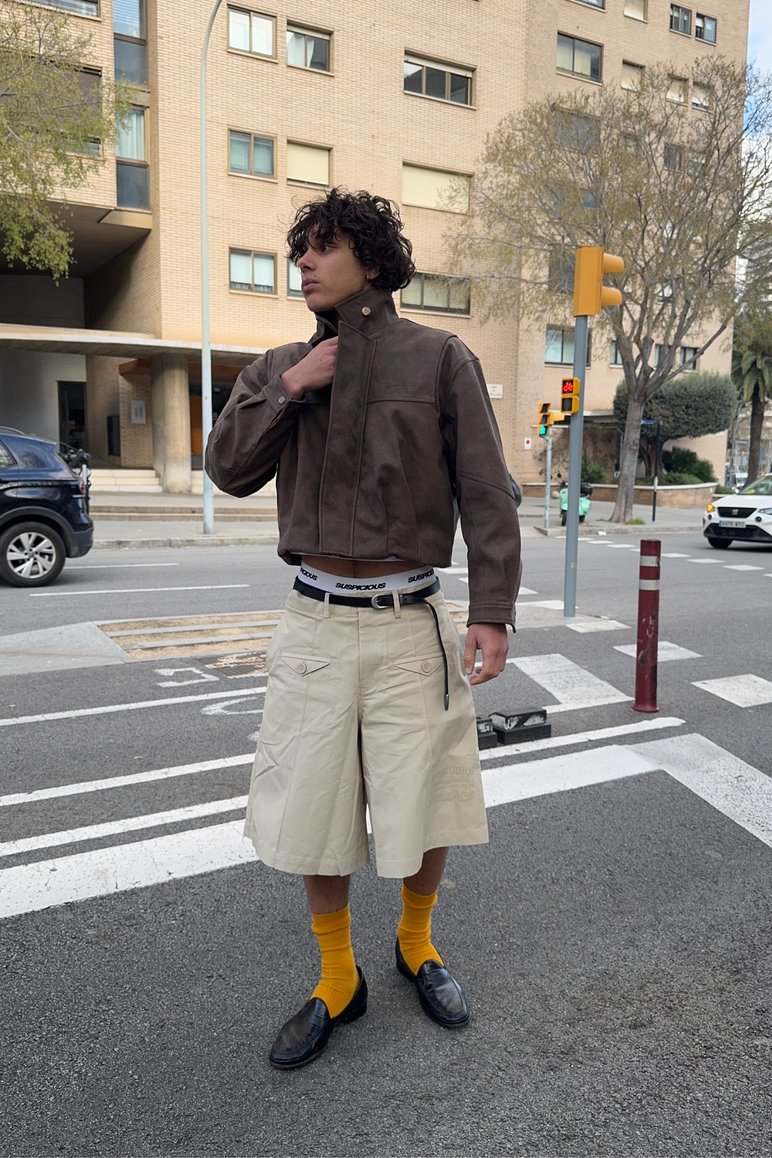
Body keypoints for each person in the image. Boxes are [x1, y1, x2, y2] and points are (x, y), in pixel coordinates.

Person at [205, 188, 521, 1070]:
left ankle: (416, 943)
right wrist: (291, 389)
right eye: (299, 250)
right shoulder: (280, 366)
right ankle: (337, 976)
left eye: (324, 246)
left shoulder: (440, 358)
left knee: (427, 799)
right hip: (312, 621)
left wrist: (492, 611)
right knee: (313, 805)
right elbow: (227, 469)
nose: (304, 262)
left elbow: (486, 488)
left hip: (408, 619)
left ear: (372, 261)